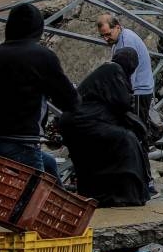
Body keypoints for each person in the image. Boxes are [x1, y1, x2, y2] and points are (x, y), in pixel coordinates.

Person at [60, 48, 152, 207]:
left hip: (80, 123)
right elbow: (122, 103)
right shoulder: (114, 70)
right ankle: (126, 194)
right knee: (127, 141)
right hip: (85, 123)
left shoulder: (108, 71)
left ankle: (107, 193)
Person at [0, 3, 78, 177]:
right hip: (22, 142)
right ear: (38, 29)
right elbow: (69, 100)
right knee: (33, 198)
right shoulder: (42, 56)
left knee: (49, 165)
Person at [96, 14, 154, 131]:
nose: (106, 38)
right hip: (137, 89)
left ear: (117, 27)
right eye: (103, 35)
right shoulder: (118, 40)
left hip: (139, 90)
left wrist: (123, 96)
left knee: (137, 129)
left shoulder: (127, 41)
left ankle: (145, 146)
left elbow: (129, 72)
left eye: (108, 34)